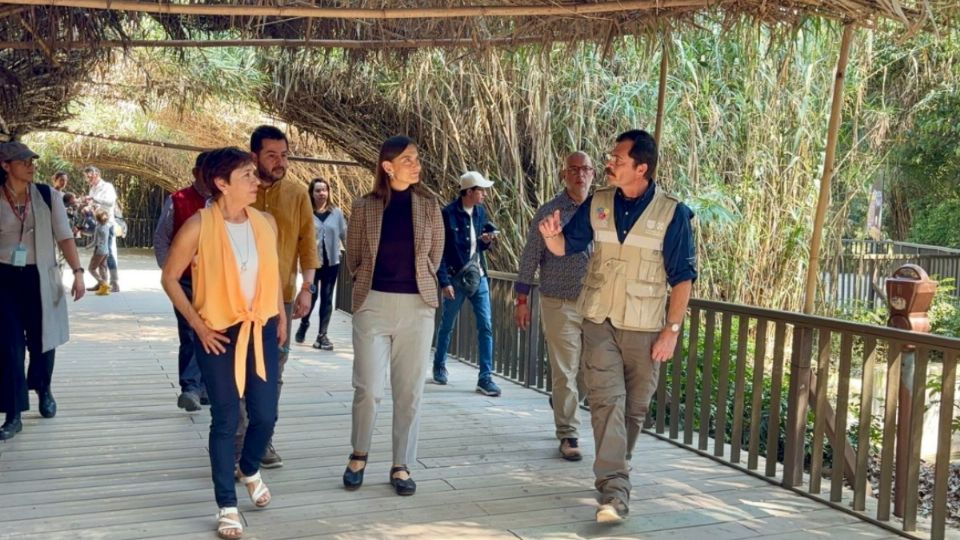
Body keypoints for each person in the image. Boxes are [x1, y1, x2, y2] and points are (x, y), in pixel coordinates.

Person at [539, 130, 697, 523]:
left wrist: (671, 330)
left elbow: (682, 278)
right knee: (607, 401)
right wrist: (553, 239)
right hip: (599, 321)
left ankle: (616, 462)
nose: (609, 163)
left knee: (635, 407)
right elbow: (567, 247)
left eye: (618, 159)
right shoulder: (599, 203)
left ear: (641, 168)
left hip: (645, 327)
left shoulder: (673, 213)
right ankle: (613, 493)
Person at [160, 147, 284, 540]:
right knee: (227, 419)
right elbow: (169, 277)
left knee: (265, 415)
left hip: (260, 327)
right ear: (221, 183)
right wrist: (198, 326)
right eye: (247, 175)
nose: (257, 181)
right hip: (217, 333)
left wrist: (279, 314)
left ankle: (249, 468)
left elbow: (273, 274)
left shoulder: (265, 222)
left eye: (255, 174)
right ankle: (227, 505)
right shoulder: (198, 225)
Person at [343, 135, 444, 496]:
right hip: (373, 303)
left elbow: (434, 257)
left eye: (417, 158)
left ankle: (401, 464)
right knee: (368, 388)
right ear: (388, 167)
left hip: (417, 307)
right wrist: (368, 289)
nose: (416, 165)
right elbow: (354, 256)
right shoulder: (365, 206)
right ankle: (359, 454)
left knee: (409, 391)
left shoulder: (430, 206)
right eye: (408, 159)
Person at [241, 125, 320, 468]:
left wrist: (307, 289)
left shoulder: (298, 194)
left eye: (284, 155)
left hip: (283, 298)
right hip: (239, 297)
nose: (279, 162)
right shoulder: (240, 188)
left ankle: (262, 440)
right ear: (254, 155)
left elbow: (308, 243)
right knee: (239, 370)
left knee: (274, 371)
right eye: (272, 155)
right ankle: (238, 439)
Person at [0, 141, 85, 440]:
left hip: (39, 276)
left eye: (31, 160)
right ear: (6, 165)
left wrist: (78, 273)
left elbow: (64, 237)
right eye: (23, 161)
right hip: (4, 278)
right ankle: (13, 414)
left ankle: (43, 388)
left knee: (43, 341)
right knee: (9, 347)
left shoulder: (49, 196)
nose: (31, 165)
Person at [515, 151, 595, 462]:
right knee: (565, 371)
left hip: (595, 303)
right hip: (558, 301)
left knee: (591, 369)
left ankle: (561, 401)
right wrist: (521, 299)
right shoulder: (550, 212)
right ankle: (568, 434)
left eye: (586, 169)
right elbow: (529, 257)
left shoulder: (602, 211)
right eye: (574, 169)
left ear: (593, 174)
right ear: (564, 175)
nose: (580, 175)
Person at [433, 171, 501, 397]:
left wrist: (486, 242)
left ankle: (485, 377)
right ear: (469, 192)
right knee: (447, 324)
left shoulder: (481, 212)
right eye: (481, 190)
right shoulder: (448, 214)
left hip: (478, 275)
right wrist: (444, 282)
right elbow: (440, 251)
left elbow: (477, 248)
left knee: (486, 325)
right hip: (455, 277)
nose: (484, 194)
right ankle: (439, 365)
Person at [154, 152, 211, 411]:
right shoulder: (178, 200)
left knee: (215, 331)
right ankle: (190, 387)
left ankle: (208, 385)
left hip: (216, 282)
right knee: (190, 331)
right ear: (195, 172)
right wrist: (170, 271)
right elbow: (162, 237)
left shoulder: (227, 201)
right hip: (186, 279)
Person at [294, 177, 347, 351]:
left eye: (324, 190)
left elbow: (344, 235)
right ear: (311, 193)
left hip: (332, 262)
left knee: (327, 298)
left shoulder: (336, 213)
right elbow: (298, 238)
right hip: (312, 264)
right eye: (317, 190)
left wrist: (354, 259)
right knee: (312, 295)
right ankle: (304, 322)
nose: (321, 193)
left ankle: (322, 335)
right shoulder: (305, 212)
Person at [83, 166, 120, 292]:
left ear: (97, 174)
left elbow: (110, 202)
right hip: (97, 223)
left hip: (107, 224)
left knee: (108, 254)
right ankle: (101, 283)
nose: (88, 179)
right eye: (87, 177)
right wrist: (87, 206)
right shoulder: (92, 188)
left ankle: (114, 283)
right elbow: (93, 204)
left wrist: (94, 199)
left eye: (90, 176)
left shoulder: (107, 186)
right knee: (99, 256)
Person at [89, 209, 112, 296]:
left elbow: (95, 242)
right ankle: (104, 289)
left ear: (97, 219)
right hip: (106, 250)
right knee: (102, 268)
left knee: (91, 269)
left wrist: (88, 247)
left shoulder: (98, 228)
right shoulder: (107, 226)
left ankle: (103, 283)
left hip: (99, 250)